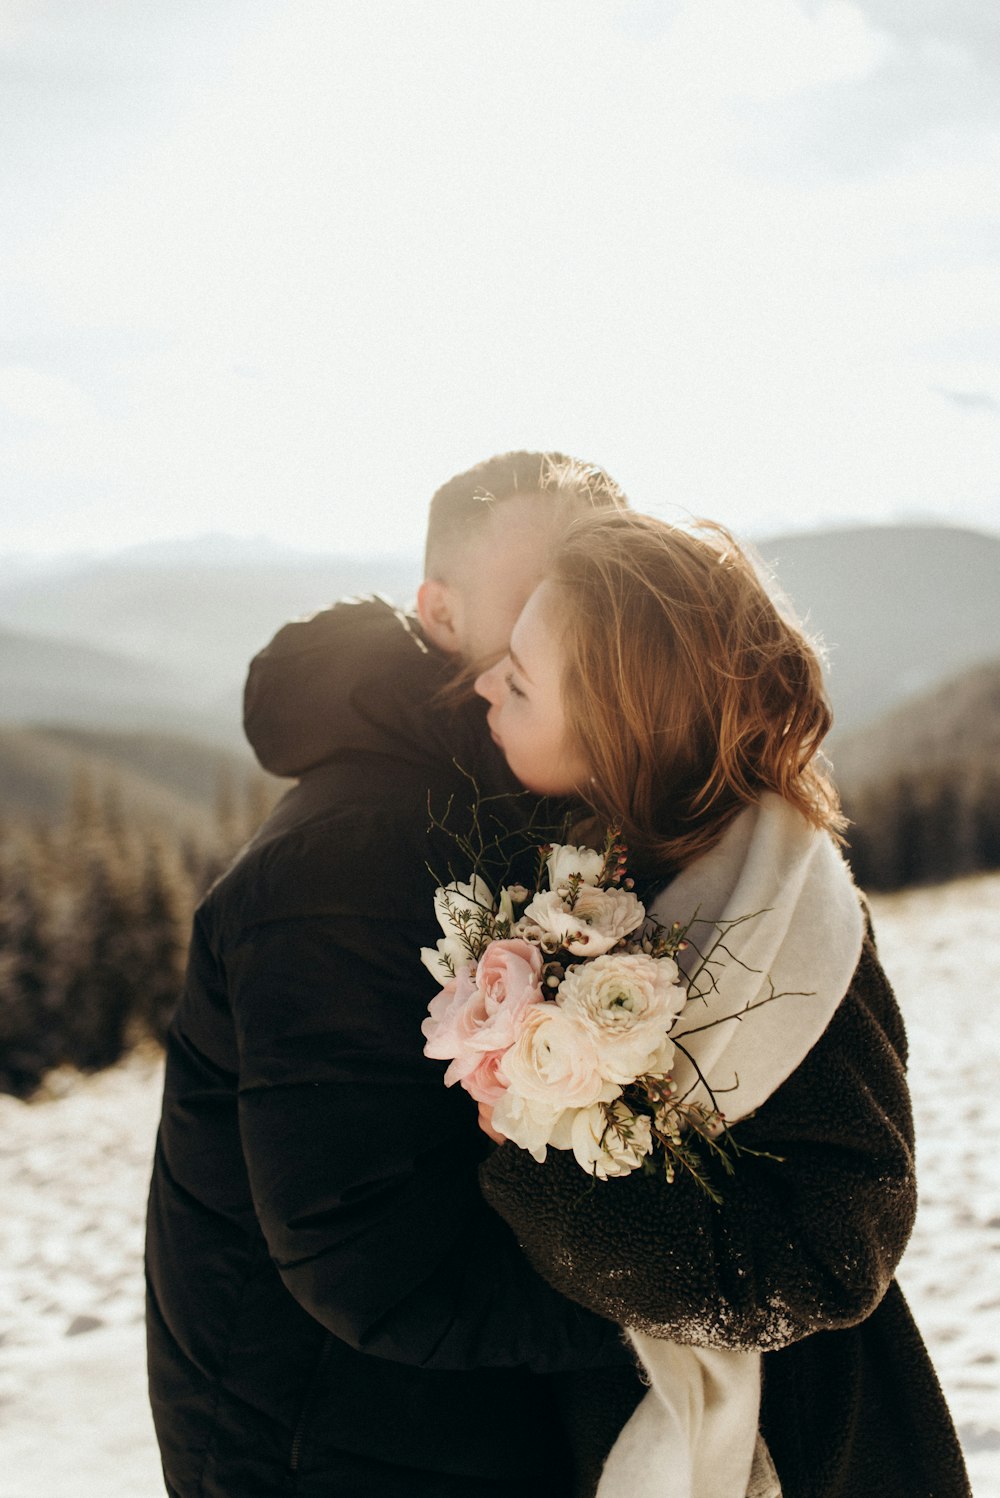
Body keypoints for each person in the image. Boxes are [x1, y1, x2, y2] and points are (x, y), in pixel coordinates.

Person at [144, 451, 648, 1498]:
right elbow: (370, 1259)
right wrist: (679, 1296)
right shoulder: (346, 858)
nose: (572, 627)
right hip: (332, 1447)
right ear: (439, 611)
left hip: (449, 1422)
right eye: (537, 598)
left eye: (599, 593)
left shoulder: (504, 796)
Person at [472, 509, 971, 1498]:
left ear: (620, 737)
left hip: (806, 1448)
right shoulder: (585, 868)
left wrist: (549, 1185)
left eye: (519, 680)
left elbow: (840, 1252)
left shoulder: (793, 934)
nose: (485, 682)